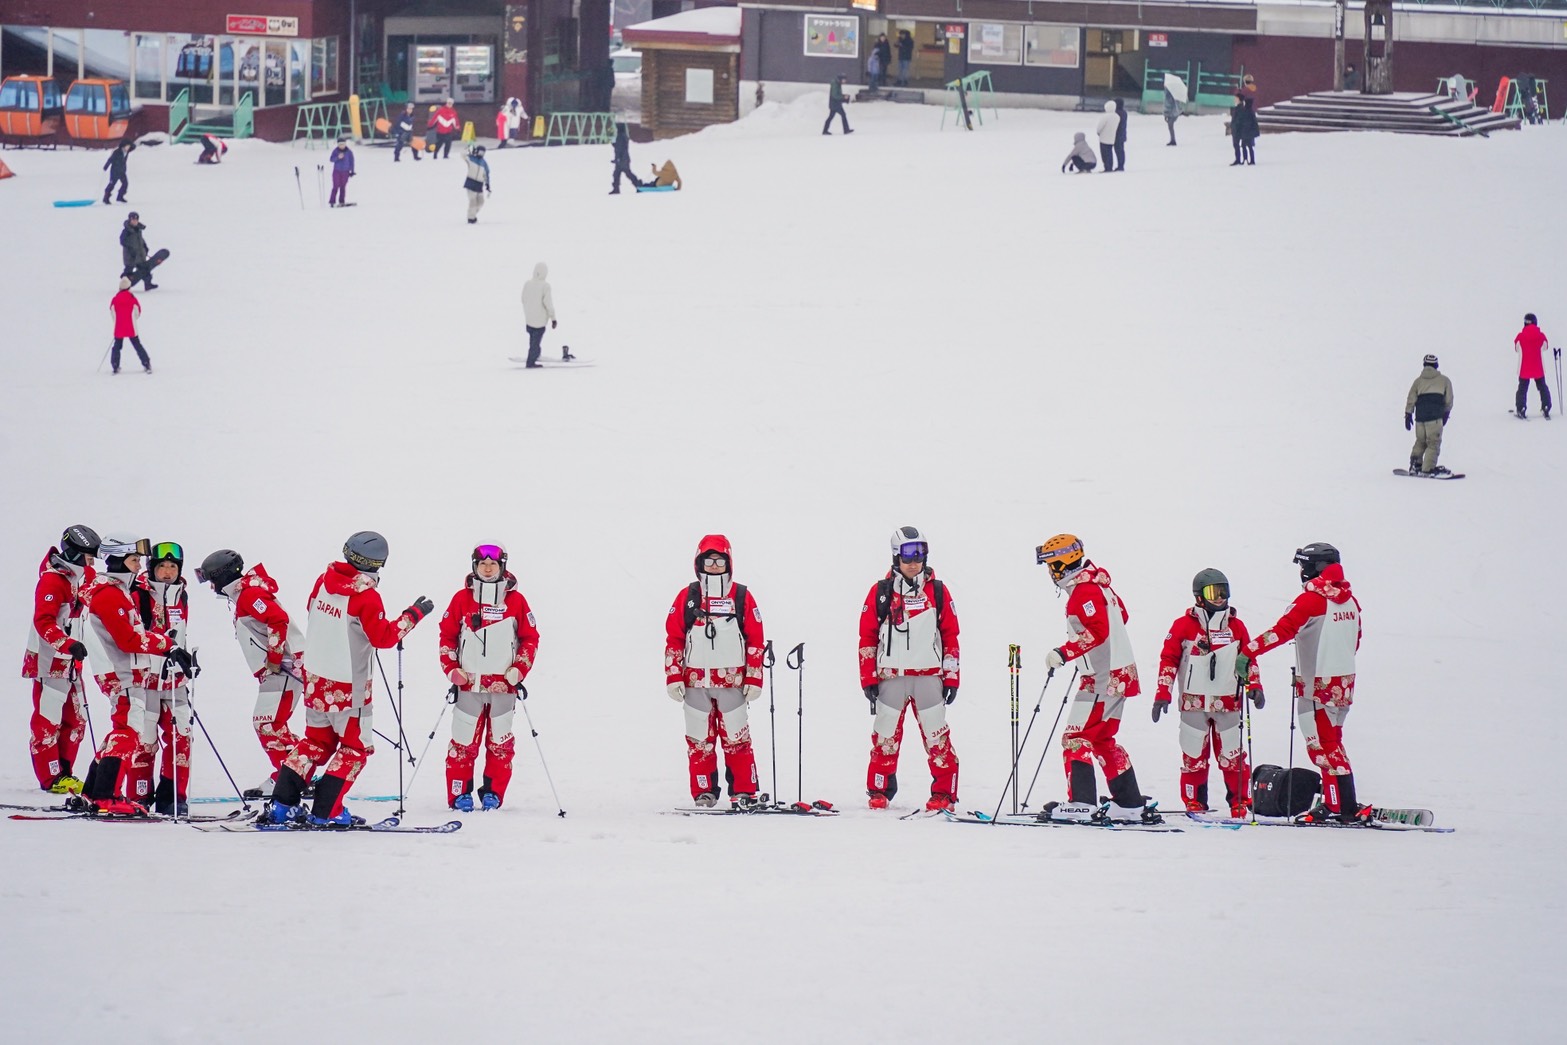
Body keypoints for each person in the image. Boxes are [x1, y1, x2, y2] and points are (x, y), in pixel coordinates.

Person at [264, 532, 434, 827]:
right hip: (348, 689)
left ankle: (282, 804)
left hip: (317, 679)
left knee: (315, 743)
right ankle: (327, 810)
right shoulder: (366, 596)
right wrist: (413, 615)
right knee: (355, 749)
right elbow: (382, 638)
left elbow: (313, 613)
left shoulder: (322, 581)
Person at [1237, 544, 1368, 824]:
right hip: (1343, 683)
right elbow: (1355, 640)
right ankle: (1336, 803)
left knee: (1322, 746)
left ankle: (1345, 806)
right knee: (1331, 742)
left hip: (1317, 684)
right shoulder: (1350, 601)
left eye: (1303, 566)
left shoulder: (1312, 600)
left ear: (1314, 568)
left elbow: (1281, 631)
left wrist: (1248, 652)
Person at [1036, 534, 1155, 822]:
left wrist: (1065, 652)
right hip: (1116, 675)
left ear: (1062, 565)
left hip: (1103, 679)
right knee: (1102, 740)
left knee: (1075, 738)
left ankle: (1081, 804)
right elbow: (1121, 616)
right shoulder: (1099, 585)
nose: (1050, 573)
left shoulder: (1084, 591)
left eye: (1051, 565)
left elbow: (1098, 631)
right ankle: (1129, 803)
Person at [78, 536, 190, 814]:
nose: (139, 566)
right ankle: (107, 796)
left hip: (135, 674)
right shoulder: (111, 594)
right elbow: (128, 639)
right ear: (118, 560)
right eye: (134, 560)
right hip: (126, 675)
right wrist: (167, 645)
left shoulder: (118, 591)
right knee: (128, 733)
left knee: (121, 733)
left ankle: (93, 791)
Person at [859, 526, 961, 811]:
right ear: (896, 557)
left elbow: (951, 635)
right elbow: (867, 637)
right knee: (885, 736)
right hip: (891, 676)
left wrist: (951, 676)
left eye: (919, 554)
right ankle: (878, 790)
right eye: (908, 555)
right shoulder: (881, 592)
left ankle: (944, 793)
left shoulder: (937, 591)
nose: (914, 561)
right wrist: (868, 678)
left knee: (936, 736)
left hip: (928, 676)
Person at [1152, 569, 1263, 817]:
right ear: (1199, 596)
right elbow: (1168, 660)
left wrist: (1255, 686)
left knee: (1232, 756)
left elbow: (1248, 658)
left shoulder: (1236, 627)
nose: (1220, 598)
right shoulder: (1183, 626)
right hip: (1194, 703)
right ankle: (1194, 802)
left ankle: (1239, 803)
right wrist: (1163, 693)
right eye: (1213, 593)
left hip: (1228, 703)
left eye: (1224, 591)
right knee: (1193, 755)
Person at [664, 535, 766, 808]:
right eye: (708, 561)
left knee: (737, 738)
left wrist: (755, 678)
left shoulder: (742, 596)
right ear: (699, 563)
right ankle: (703, 791)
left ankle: (744, 791)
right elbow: (674, 638)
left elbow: (755, 639)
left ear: (728, 563)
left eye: (719, 561)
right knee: (699, 740)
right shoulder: (687, 597)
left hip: (733, 682)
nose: (713, 566)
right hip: (695, 682)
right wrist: (673, 675)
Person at [194, 549, 304, 799]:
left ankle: (291, 778)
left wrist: (275, 658)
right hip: (278, 670)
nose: (210, 586)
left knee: (268, 724)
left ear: (221, 576)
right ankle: (294, 772)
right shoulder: (244, 594)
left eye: (211, 579)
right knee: (272, 724)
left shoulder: (249, 595)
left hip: (283, 669)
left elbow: (278, 620)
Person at [439, 544, 540, 811]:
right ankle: (459, 793)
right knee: (462, 741)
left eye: (492, 564)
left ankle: (493, 793)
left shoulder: (516, 601)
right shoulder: (462, 598)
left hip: (503, 686)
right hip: (468, 684)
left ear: (502, 567)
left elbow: (530, 638)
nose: (487, 568)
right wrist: (451, 668)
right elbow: (447, 636)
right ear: (474, 567)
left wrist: (520, 667)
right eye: (482, 564)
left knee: (500, 744)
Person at [23, 525, 99, 794]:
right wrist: (67, 644)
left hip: (71, 662)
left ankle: (65, 771)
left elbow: (99, 588)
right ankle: (50, 776)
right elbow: (43, 620)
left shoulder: (82, 575)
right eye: (89, 555)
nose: (93, 561)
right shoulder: (52, 580)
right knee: (49, 719)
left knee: (76, 719)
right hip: (49, 661)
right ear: (76, 555)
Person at [134, 543, 193, 816]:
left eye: (172, 567)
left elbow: (178, 634)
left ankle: (172, 796)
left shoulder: (182, 595)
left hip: (175, 682)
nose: (168, 572)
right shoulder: (137, 593)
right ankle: (139, 795)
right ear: (152, 569)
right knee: (144, 740)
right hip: (145, 681)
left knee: (182, 737)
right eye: (162, 567)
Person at [1404, 353, 1454, 474]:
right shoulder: (1444, 381)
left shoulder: (1417, 382)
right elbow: (1449, 400)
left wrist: (1408, 414)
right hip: (1435, 418)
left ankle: (1415, 465)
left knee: (1420, 441)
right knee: (1433, 443)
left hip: (1420, 418)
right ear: (1436, 365)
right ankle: (1428, 469)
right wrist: (1446, 414)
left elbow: (1411, 399)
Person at [109, 277, 152, 375]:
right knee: (137, 345)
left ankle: (115, 365)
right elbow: (137, 312)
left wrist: (117, 322)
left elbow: (112, 312)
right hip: (131, 327)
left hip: (119, 327)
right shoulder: (132, 298)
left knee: (117, 346)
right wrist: (133, 319)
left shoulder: (115, 299)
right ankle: (146, 363)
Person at [520, 262, 560, 367]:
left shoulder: (527, 284)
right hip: (540, 321)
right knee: (535, 343)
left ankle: (534, 355)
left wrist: (529, 311)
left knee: (533, 341)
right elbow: (548, 304)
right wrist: (553, 318)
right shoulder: (545, 286)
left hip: (529, 320)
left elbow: (523, 299)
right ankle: (530, 361)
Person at [1514, 313, 1552, 419]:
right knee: (1542, 387)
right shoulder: (1541, 336)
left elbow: (1517, 348)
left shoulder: (1520, 336)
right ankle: (1546, 406)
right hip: (1538, 368)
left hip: (1524, 368)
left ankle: (1521, 408)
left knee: (1522, 389)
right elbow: (1545, 346)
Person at [119, 212, 156, 291]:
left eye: (136, 219)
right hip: (130, 256)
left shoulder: (138, 229)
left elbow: (140, 240)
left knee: (145, 269)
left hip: (139, 255)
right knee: (128, 271)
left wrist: (145, 247)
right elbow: (122, 241)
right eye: (132, 220)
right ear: (130, 220)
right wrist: (130, 249)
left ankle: (148, 284)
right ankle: (123, 287)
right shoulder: (126, 231)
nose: (134, 221)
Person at [610, 122, 643, 194]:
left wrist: (618, 158)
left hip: (622, 159)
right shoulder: (623, 136)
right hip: (623, 159)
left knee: (626, 173)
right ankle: (616, 188)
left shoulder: (620, 137)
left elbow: (620, 149)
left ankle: (638, 185)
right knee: (617, 174)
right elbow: (618, 147)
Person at [462, 143, 491, 224]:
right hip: (470, 182)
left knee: (481, 202)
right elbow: (462, 155)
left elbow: (486, 174)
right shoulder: (471, 159)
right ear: (476, 151)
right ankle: (470, 218)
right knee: (473, 201)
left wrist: (488, 184)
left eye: (483, 153)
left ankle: (473, 215)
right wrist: (468, 148)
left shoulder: (483, 163)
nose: (481, 154)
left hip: (479, 184)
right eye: (479, 152)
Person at [1230, 89, 1258, 166]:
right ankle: (1240, 159)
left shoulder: (1242, 109)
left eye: (1236, 98)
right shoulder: (1239, 108)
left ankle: (1243, 159)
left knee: (1244, 145)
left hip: (1240, 130)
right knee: (1239, 145)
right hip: (1238, 129)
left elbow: (1240, 120)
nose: (1234, 99)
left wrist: (1236, 126)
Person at [328, 138, 355, 207]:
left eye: (343, 144)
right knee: (335, 186)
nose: (341, 146)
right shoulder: (335, 151)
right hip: (337, 171)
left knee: (343, 186)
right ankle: (332, 201)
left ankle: (341, 201)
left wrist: (352, 171)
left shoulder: (349, 152)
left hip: (345, 172)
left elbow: (351, 162)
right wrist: (338, 157)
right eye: (340, 144)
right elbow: (331, 159)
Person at [1095, 101, 1118, 174]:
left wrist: (1098, 132)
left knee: (1104, 154)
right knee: (1110, 153)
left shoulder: (1105, 116)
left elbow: (1100, 127)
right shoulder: (1117, 116)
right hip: (1112, 138)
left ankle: (1106, 167)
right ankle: (1110, 166)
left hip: (1104, 138)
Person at [1113, 97, 1128, 171]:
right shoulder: (1124, 113)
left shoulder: (1117, 113)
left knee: (1118, 151)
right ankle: (1121, 165)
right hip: (1122, 134)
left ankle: (1120, 165)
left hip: (1117, 135)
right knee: (1121, 151)